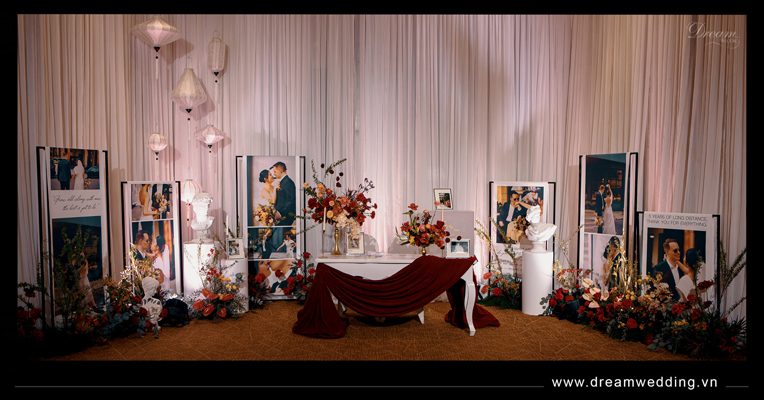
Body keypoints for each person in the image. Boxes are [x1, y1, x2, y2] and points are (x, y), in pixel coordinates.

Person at [271, 162, 296, 226]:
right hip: (280, 218)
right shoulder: (282, 182)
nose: (274, 174)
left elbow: (291, 201)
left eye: (275, 171)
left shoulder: (288, 182)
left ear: (280, 170)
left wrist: (280, 213)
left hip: (286, 218)